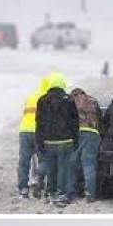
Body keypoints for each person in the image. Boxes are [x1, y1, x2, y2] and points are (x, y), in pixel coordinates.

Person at [35, 72, 79, 205]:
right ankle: (61, 194)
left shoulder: (42, 100)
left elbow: (39, 124)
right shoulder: (69, 100)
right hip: (66, 141)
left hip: (48, 141)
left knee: (51, 169)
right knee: (63, 169)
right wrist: (75, 141)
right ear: (62, 83)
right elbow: (74, 122)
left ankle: (51, 193)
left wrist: (39, 142)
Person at [17, 77, 50, 199]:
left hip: (24, 130)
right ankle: (38, 181)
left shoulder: (29, 97)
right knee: (43, 159)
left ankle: (23, 189)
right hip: (38, 132)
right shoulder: (46, 99)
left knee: (24, 161)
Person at [71, 88, 103, 203]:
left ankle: (73, 192)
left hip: (76, 133)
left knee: (73, 164)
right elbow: (100, 118)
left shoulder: (70, 100)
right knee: (89, 164)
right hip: (92, 133)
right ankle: (90, 194)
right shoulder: (93, 100)